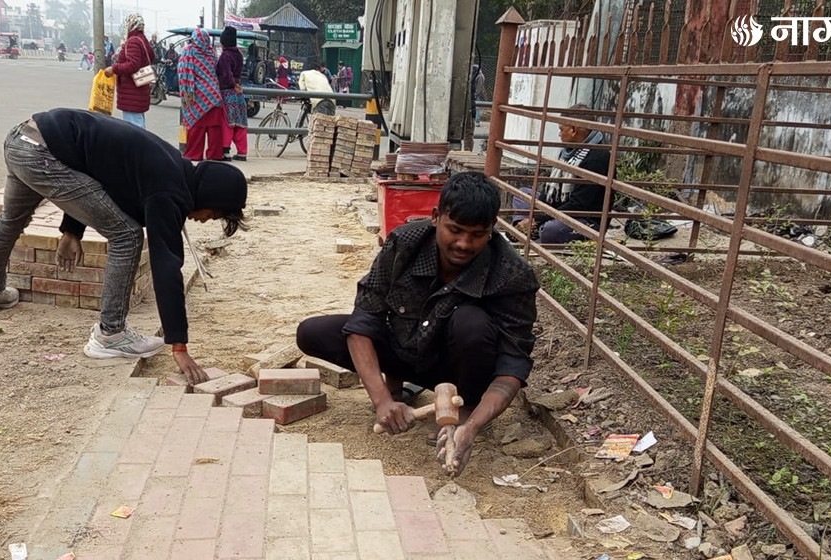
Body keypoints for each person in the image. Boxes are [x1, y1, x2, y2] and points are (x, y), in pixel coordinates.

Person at [0, 109, 248, 380]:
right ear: (211, 197)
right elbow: (167, 267)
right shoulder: (168, 191)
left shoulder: (170, 165)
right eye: (215, 214)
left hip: (23, 138)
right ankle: (110, 334)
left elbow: (96, 175)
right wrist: (179, 346)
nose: (205, 220)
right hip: (45, 155)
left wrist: (72, 231)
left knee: (12, 219)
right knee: (128, 235)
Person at [296, 172, 537, 477]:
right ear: (436, 217)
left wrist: (473, 426)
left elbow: (512, 367)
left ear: (492, 230)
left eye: (477, 234)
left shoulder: (512, 274)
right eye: (455, 230)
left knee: (470, 323)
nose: (464, 243)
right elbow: (364, 320)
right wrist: (381, 399)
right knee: (312, 333)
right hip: (407, 350)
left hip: (459, 369)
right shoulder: (405, 244)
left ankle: (464, 412)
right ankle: (397, 389)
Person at [511, 103, 610, 243]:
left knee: (551, 230)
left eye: (561, 129)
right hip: (557, 208)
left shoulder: (597, 158)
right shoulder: (567, 152)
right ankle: (530, 228)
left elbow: (578, 205)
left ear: (573, 130)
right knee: (522, 194)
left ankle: (532, 229)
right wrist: (538, 214)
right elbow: (549, 190)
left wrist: (537, 218)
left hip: (583, 219)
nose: (559, 134)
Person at [178, 27, 225, 162]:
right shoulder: (211, 52)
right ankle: (214, 156)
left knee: (196, 128)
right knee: (214, 129)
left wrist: (186, 92)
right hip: (214, 95)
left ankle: (194, 154)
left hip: (197, 95)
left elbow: (182, 71)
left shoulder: (189, 51)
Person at [104, 13, 154, 128]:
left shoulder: (133, 41)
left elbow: (133, 65)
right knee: (139, 125)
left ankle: (140, 147)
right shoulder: (143, 40)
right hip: (140, 89)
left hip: (132, 93)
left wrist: (114, 68)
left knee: (134, 129)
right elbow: (150, 57)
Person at [216, 26, 247, 162]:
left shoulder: (225, 56)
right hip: (239, 93)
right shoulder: (239, 55)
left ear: (224, 43)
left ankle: (225, 152)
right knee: (240, 123)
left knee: (227, 123)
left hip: (227, 92)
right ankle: (242, 152)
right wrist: (237, 85)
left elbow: (227, 74)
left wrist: (232, 83)